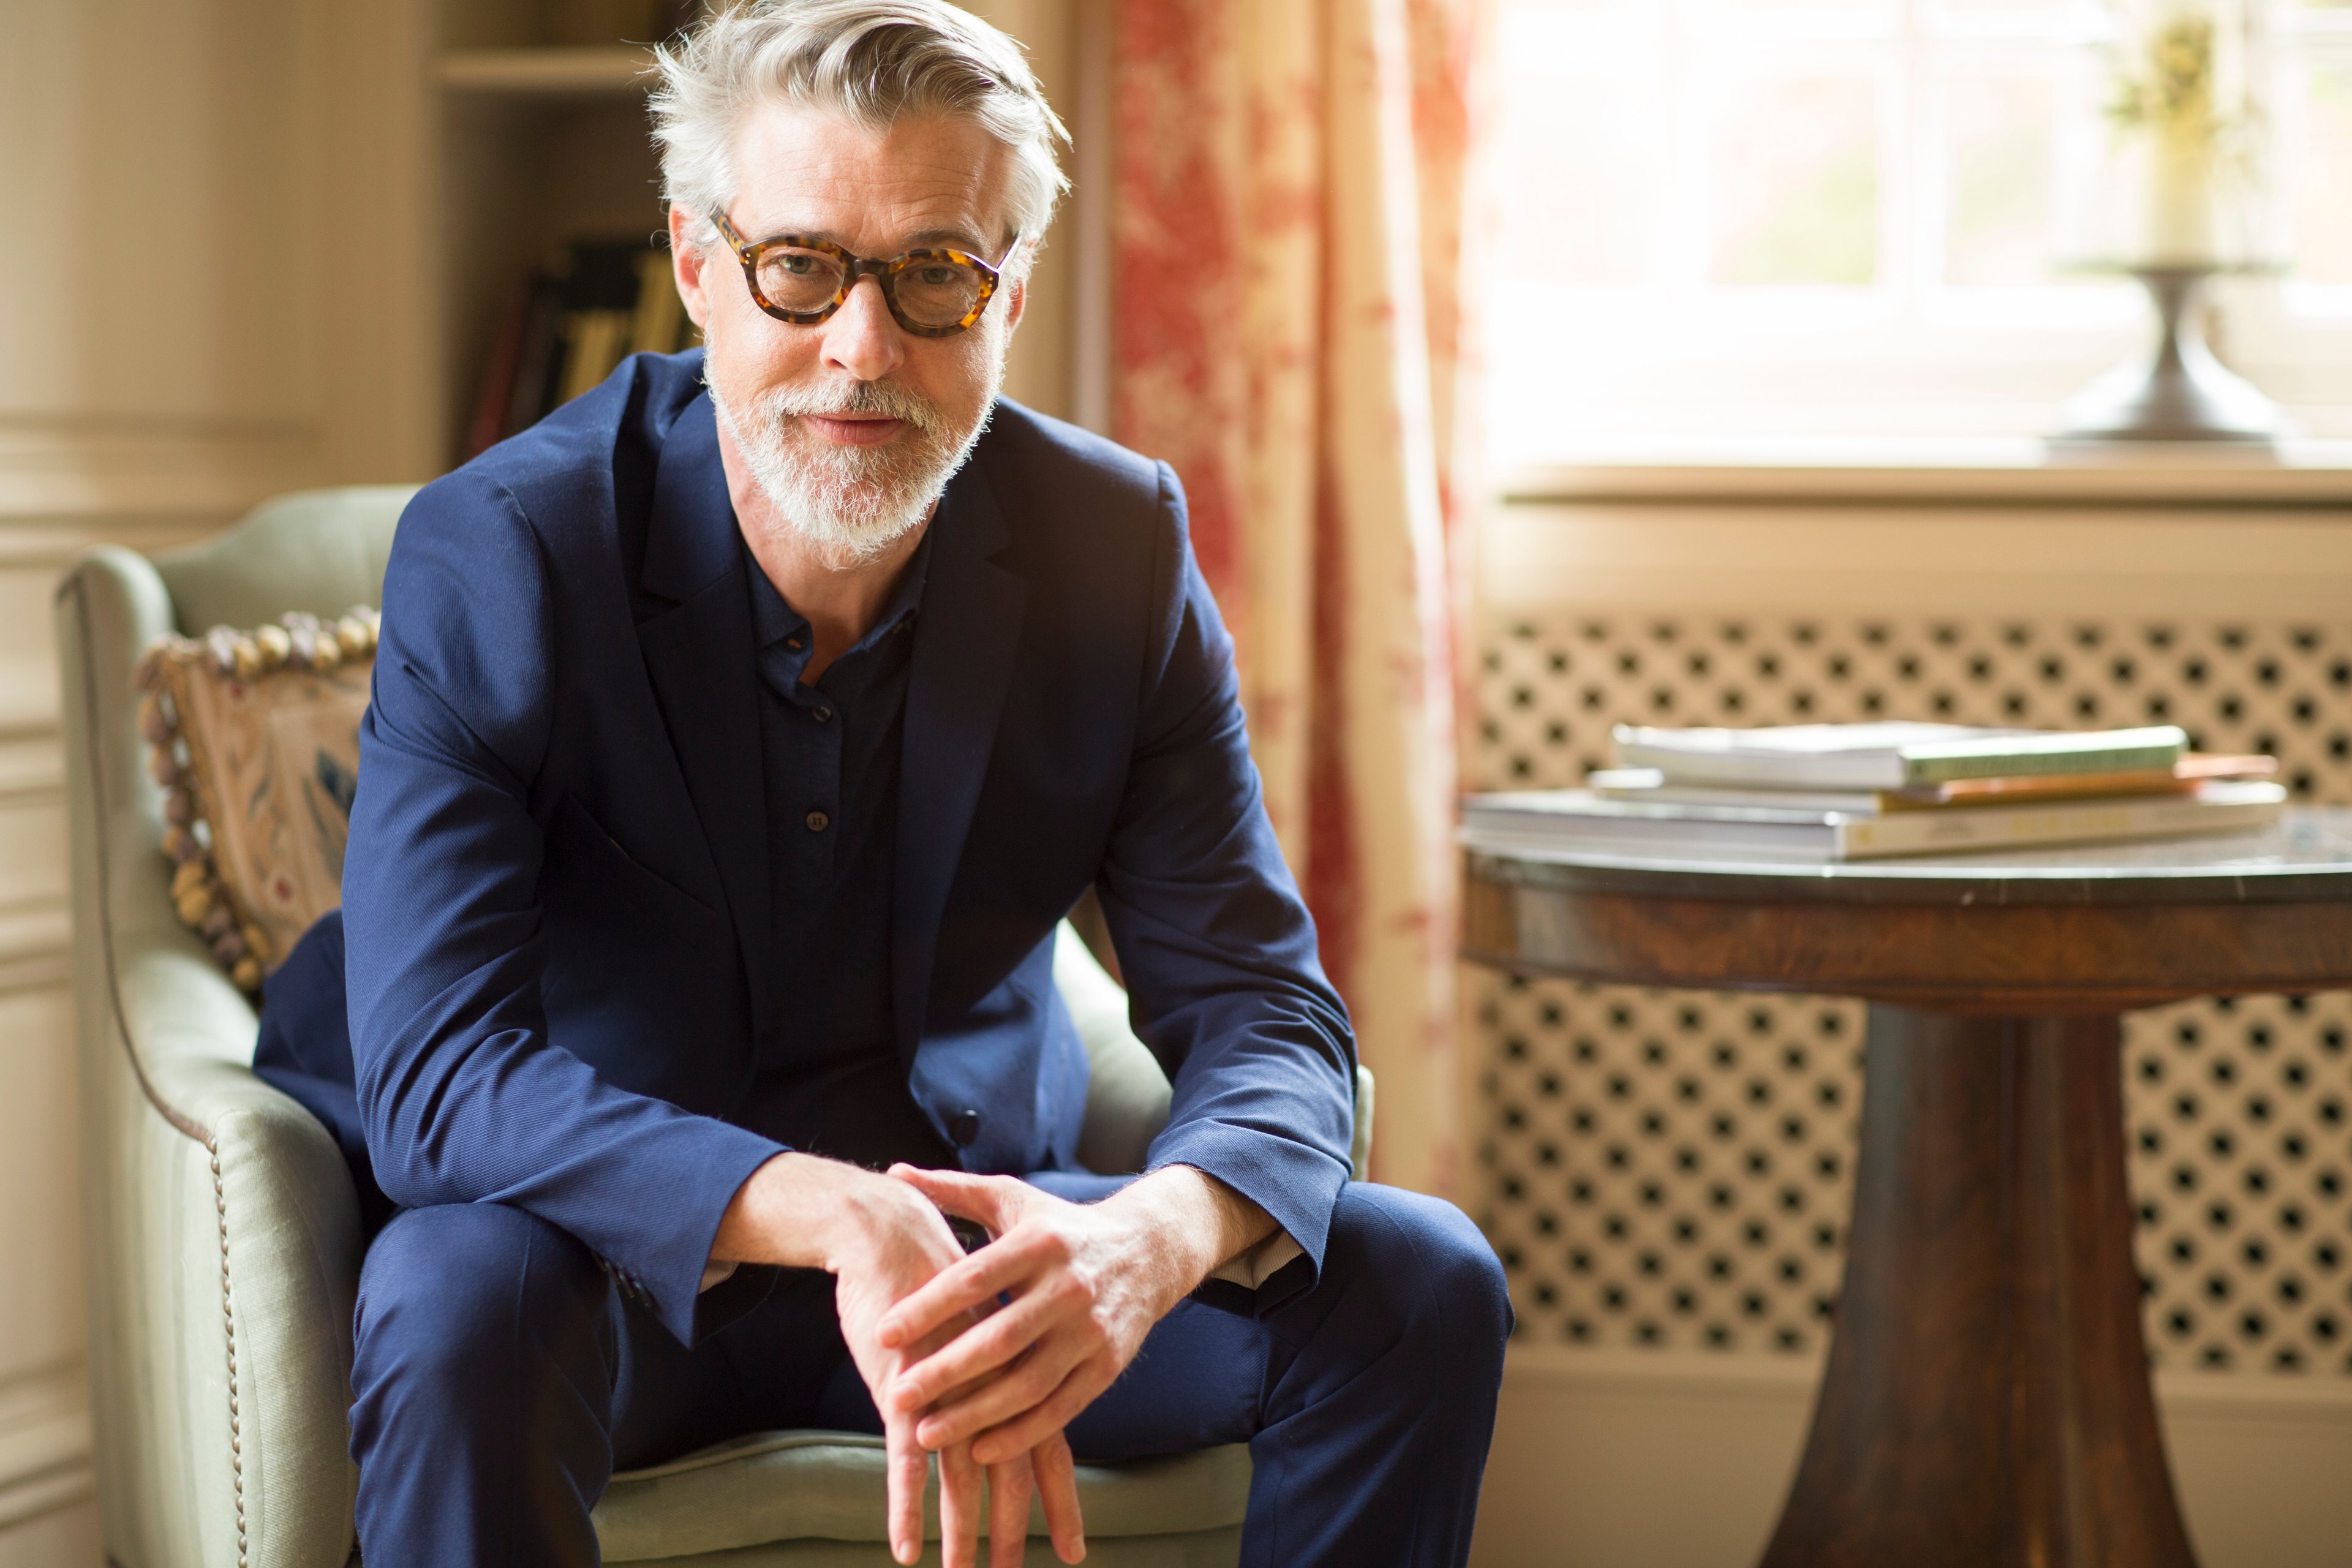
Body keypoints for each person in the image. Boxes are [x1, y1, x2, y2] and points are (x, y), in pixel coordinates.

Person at [298, 3, 1510, 1564]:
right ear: (696, 264)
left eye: (935, 273)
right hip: (613, 1260)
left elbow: (1267, 1010)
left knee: (1421, 1281)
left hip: (969, 1265)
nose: (861, 352)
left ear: (1008, 291)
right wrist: (823, 1205)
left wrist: (1154, 1234)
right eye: (798, 266)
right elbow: (438, 1071)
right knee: (453, 1288)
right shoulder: (508, 551)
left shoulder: (1114, 545)